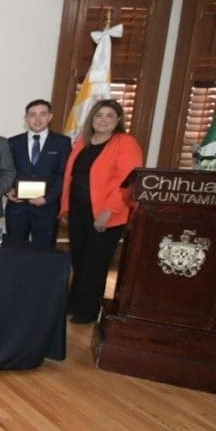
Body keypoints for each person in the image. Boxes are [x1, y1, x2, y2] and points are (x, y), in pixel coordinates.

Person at [60, 99, 143, 324]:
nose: (103, 120)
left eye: (109, 116)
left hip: (106, 215)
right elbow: (72, 177)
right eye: (99, 115)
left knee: (95, 264)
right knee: (79, 260)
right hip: (78, 212)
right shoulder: (83, 142)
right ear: (92, 119)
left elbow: (128, 181)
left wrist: (108, 211)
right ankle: (74, 302)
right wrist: (66, 207)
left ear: (117, 120)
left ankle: (88, 311)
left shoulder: (125, 143)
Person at [6, 99, 72, 248]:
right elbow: (7, 171)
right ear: (26, 118)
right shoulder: (13, 142)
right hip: (17, 208)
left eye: (42, 114)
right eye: (32, 114)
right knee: (14, 251)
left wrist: (48, 198)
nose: (37, 119)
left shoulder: (62, 143)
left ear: (50, 117)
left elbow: (64, 175)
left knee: (44, 252)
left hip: (46, 208)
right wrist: (8, 191)